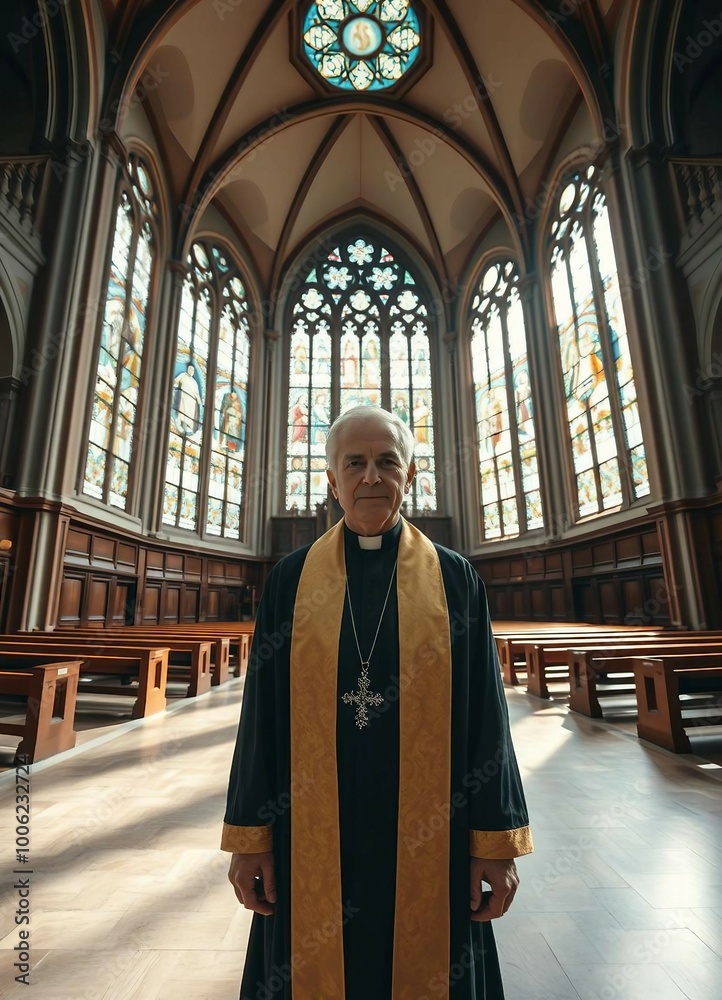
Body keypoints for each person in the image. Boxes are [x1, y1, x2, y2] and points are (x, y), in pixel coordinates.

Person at [221, 405, 533, 1000]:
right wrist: (250, 837)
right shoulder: (290, 580)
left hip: (432, 837)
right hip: (307, 834)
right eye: (354, 463)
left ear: (410, 476)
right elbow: (259, 718)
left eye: (387, 462)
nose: (371, 477)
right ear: (332, 480)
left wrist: (496, 844)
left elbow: (487, 719)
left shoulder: (455, 578)